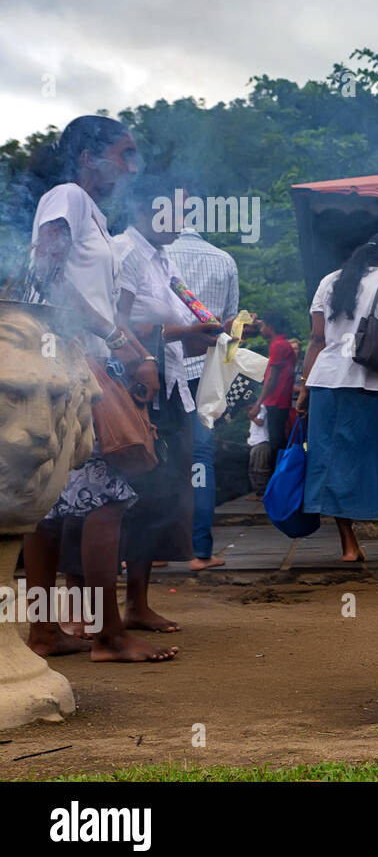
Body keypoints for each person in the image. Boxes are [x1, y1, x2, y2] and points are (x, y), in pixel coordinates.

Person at [21, 115, 176, 662]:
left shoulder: (92, 213)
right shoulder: (67, 196)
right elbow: (46, 271)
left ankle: (44, 633)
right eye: (123, 154)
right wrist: (115, 338)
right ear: (87, 157)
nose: (131, 167)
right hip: (71, 361)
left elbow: (90, 297)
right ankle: (108, 636)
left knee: (49, 507)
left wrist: (134, 350)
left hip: (72, 358)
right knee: (105, 499)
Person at [115, 192, 229, 594]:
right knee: (129, 494)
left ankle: (138, 602)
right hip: (136, 390)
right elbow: (115, 325)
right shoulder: (125, 252)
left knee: (161, 494)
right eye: (173, 213)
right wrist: (185, 333)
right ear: (144, 209)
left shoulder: (164, 260)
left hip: (172, 387)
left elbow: (181, 331)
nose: (181, 221)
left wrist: (209, 335)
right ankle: (104, 608)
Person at [297, 233, 378, 562]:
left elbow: (316, 339)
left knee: (334, 463)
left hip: (326, 384)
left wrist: (305, 386)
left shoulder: (329, 282)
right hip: (370, 382)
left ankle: (349, 546)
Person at [165, 207, 239, 568]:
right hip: (203, 372)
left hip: (161, 368)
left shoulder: (156, 255)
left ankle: (151, 553)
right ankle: (200, 552)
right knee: (201, 459)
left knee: (157, 455)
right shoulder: (224, 259)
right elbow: (228, 327)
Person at [247, 310, 296, 463]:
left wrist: (258, 403)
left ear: (270, 327)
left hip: (276, 402)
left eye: (263, 326)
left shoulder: (278, 345)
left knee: (277, 445)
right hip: (278, 402)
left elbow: (271, 379)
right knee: (277, 442)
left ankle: (277, 480)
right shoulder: (282, 344)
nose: (261, 330)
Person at [247, 405, 272, 496]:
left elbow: (260, 422)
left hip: (262, 442)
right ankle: (258, 493)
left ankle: (263, 493)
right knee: (253, 469)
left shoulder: (261, 407)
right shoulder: (255, 410)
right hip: (255, 443)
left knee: (260, 470)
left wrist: (252, 417)